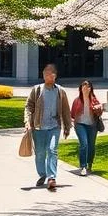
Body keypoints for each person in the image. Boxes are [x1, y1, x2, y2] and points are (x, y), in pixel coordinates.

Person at [23, 63, 71, 191]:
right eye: (45, 73)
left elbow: (66, 110)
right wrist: (27, 122)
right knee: (40, 153)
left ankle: (51, 177)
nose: (46, 76)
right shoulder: (37, 89)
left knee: (52, 150)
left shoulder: (60, 91)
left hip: (54, 126)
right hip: (38, 127)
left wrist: (67, 126)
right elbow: (28, 107)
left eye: (49, 74)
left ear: (54, 76)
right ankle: (42, 174)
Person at [70, 79, 104, 176]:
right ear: (80, 89)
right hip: (80, 125)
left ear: (90, 89)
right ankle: (83, 166)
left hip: (92, 125)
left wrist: (98, 108)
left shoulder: (94, 99)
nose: (85, 89)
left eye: (87, 87)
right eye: (83, 87)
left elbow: (100, 111)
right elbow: (72, 114)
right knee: (84, 144)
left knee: (91, 146)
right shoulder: (77, 100)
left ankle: (90, 164)